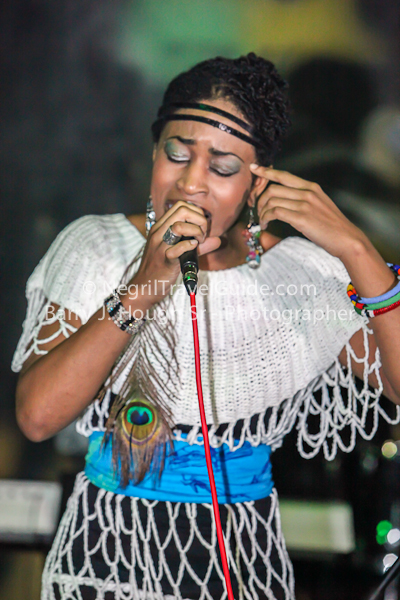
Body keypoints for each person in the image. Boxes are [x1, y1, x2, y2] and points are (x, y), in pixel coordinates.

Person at [12, 53, 400, 600]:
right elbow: (37, 416)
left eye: (221, 167)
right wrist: (145, 284)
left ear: (257, 183)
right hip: (105, 562)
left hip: (243, 568)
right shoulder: (97, 247)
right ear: (153, 152)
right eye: (176, 153)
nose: (191, 182)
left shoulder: (298, 274)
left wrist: (357, 250)